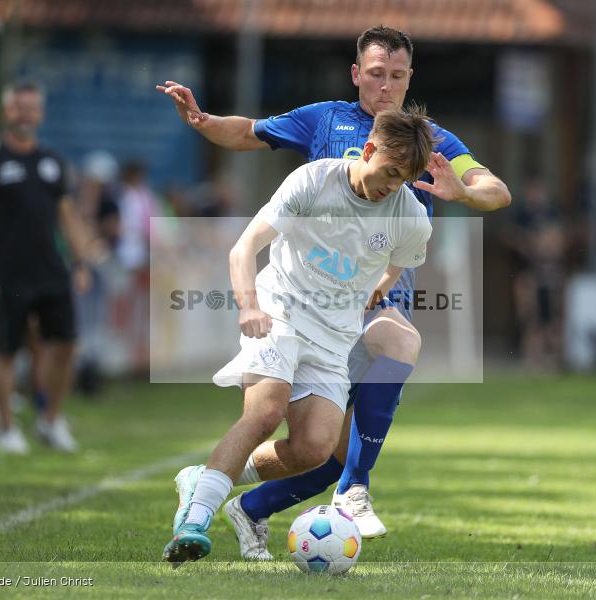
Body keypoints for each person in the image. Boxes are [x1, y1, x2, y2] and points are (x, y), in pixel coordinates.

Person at [158, 25, 510, 548]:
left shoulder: (431, 141)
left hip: (374, 291)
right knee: (311, 412)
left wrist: (464, 191)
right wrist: (204, 121)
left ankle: (256, 503)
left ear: (410, 78)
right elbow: (249, 132)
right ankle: (349, 491)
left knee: (329, 449)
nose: (386, 86)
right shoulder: (322, 121)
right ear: (356, 75)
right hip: (305, 290)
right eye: (376, 75)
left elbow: (495, 190)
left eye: (397, 76)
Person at [164, 108, 436, 565]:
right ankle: (196, 520)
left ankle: (206, 477)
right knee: (265, 413)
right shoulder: (314, 181)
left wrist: (380, 287)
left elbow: (404, 258)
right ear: (367, 150)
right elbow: (244, 247)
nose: (393, 186)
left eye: (403, 179)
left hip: (333, 336)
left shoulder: (409, 213)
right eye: (389, 172)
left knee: (314, 449)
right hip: (279, 311)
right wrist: (249, 306)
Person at [0, 80, 92, 454]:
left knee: (66, 346)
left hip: (52, 271)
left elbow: (67, 215)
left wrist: (80, 261)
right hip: (8, 274)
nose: (25, 115)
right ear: (6, 112)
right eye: (18, 108)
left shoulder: (52, 161)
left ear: (40, 114)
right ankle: (7, 428)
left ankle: (50, 421)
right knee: (7, 351)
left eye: (31, 108)